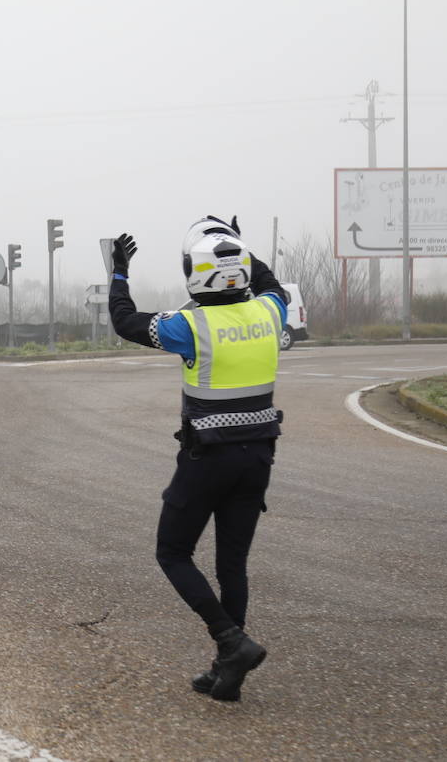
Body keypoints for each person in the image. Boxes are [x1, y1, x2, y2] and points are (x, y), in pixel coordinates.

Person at [107, 216, 288, 702]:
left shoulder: (190, 325)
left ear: (195, 273)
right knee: (232, 565)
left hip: (208, 459)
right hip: (259, 457)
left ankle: (230, 641)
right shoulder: (270, 312)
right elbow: (269, 282)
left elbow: (125, 321)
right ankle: (228, 671)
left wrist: (119, 272)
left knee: (172, 551)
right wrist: (238, 245)